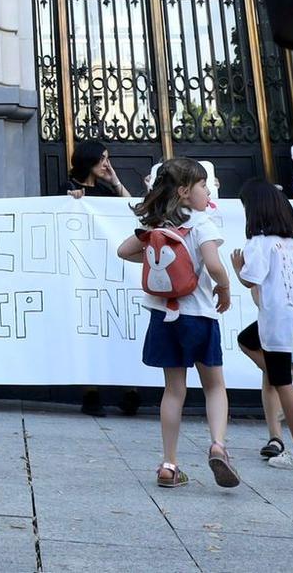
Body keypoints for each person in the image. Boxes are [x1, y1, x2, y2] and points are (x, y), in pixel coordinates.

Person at [115, 158, 237, 489]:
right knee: (214, 385)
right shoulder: (201, 224)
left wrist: (158, 258)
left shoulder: (157, 225)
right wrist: (224, 289)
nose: (207, 190)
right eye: (202, 186)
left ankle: (169, 464)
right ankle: (217, 445)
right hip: (199, 317)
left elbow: (123, 251)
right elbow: (214, 265)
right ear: (185, 192)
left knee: (173, 390)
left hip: (163, 317)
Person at [231, 181, 293, 471]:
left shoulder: (259, 243)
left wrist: (237, 267)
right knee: (249, 342)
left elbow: (251, 278)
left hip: (276, 320)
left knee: (283, 385)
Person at [60, 140, 139, 419]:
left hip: (111, 267)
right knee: (88, 328)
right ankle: (90, 392)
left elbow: (134, 210)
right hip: (83, 269)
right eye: (102, 159)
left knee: (118, 326)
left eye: (108, 158)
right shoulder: (66, 187)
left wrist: (116, 181)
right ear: (88, 160)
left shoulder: (107, 189)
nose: (107, 164)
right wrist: (73, 201)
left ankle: (129, 390)